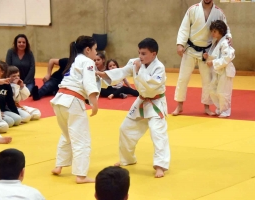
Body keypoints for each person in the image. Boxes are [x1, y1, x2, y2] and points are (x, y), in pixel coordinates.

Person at [97, 38, 170, 178]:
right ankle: (127, 159)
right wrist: (104, 74)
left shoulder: (159, 67)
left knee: (157, 133)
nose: (140, 56)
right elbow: (122, 72)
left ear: (153, 54)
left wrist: (138, 70)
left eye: (144, 53)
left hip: (156, 103)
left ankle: (160, 165)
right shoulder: (135, 62)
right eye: (139, 53)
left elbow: (151, 85)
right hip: (141, 101)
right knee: (125, 129)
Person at [50, 36, 100, 184]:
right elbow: (89, 83)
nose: (96, 54)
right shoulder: (88, 61)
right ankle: (81, 176)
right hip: (72, 102)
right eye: (95, 50)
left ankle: (59, 165)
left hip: (59, 100)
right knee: (82, 140)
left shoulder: (74, 60)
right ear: (88, 49)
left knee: (67, 135)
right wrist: (94, 103)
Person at [172, 0, 232, 116]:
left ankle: (206, 106)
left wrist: (228, 37)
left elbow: (226, 28)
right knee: (183, 78)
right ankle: (179, 106)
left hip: (206, 51)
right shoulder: (193, 9)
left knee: (207, 80)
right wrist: (180, 44)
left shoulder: (219, 12)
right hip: (190, 49)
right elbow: (184, 28)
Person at [203, 20, 236, 117]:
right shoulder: (216, 42)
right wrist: (208, 56)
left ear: (221, 31)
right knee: (213, 90)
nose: (212, 33)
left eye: (215, 31)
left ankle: (225, 110)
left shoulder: (225, 42)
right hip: (217, 70)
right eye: (212, 31)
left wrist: (213, 62)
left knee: (223, 91)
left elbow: (227, 57)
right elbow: (217, 56)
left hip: (225, 71)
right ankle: (219, 108)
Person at [0, 61, 21, 127]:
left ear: (2, 72)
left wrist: (16, 113)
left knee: (18, 119)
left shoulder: (6, 84)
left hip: (3, 110)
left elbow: (10, 101)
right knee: (10, 122)